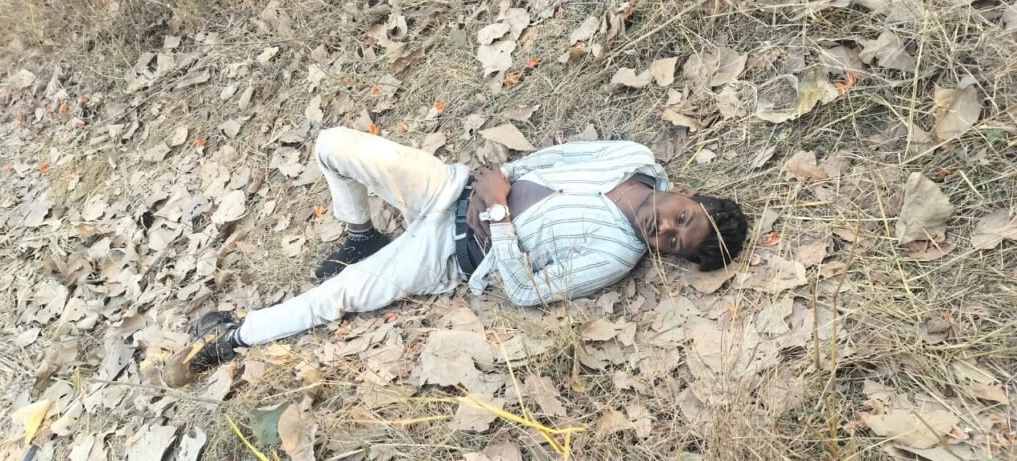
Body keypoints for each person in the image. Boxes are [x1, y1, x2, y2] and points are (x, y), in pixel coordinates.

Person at [182, 127, 747, 374]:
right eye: (682, 217)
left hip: (451, 253)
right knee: (332, 145)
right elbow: (557, 157)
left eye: (672, 243)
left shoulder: (615, 256)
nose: (664, 228)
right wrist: (497, 179)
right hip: (450, 188)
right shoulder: (634, 155)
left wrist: (497, 212)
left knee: (340, 294)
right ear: (688, 195)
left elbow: (525, 292)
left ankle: (233, 337)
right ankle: (360, 236)